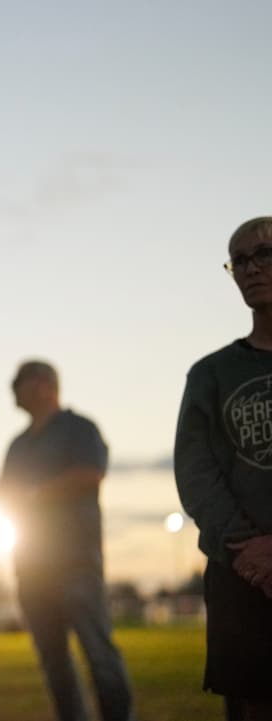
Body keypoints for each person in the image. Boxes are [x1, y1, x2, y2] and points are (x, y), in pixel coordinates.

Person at [0, 360, 135, 721]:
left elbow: (91, 473)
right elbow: (4, 493)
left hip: (76, 563)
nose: (12, 390)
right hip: (30, 566)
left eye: (19, 382)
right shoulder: (18, 445)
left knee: (99, 655)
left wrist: (34, 495)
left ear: (44, 385)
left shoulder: (79, 428)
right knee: (54, 664)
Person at [175, 217, 272, 721]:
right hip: (241, 572)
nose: (252, 268)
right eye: (240, 260)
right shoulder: (212, 373)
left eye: (265, 253)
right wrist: (251, 550)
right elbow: (196, 474)